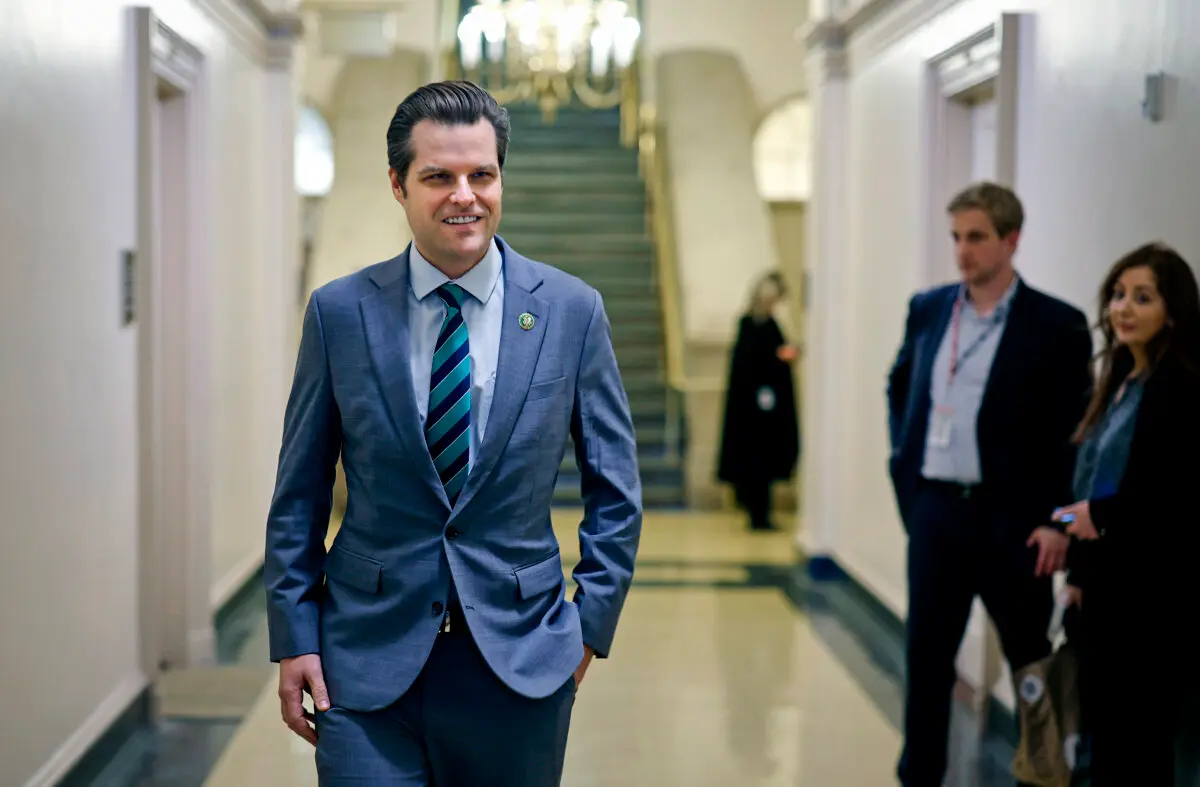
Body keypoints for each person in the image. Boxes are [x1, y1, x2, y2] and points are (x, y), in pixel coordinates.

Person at [263, 80, 644, 786]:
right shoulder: (340, 314)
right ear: (398, 185)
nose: (463, 195)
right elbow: (299, 493)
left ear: (502, 178)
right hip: (362, 661)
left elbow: (615, 487)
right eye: (438, 176)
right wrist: (294, 633)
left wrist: (589, 624)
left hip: (519, 660)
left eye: (482, 174)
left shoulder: (570, 311)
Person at [885, 182, 1094, 787]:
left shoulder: (1056, 325)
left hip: (1015, 523)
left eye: (976, 237)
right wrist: (910, 480)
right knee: (926, 659)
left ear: (1011, 239)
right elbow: (900, 388)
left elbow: (1072, 436)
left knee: (1031, 659)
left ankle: (1046, 772)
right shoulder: (928, 310)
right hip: (937, 514)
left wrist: (1056, 522)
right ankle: (919, 775)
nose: (963, 251)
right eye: (956, 237)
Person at [1055, 243, 1200, 787]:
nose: (1124, 308)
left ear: (1174, 310)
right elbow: (1088, 483)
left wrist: (1097, 515)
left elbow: (1176, 496)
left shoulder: (1180, 385)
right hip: (1106, 593)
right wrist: (1077, 571)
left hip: (1151, 604)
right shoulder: (1121, 380)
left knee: (1138, 749)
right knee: (1109, 747)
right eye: (1118, 295)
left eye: (1143, 297)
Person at [716, 271, 800, 531]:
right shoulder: (752, 326)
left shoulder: (765, 325)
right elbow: (753, 365)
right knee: (757, 464)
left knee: (764, 463)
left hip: (764, 413)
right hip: (755, 414)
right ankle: (757, 513)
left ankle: (760, 512)